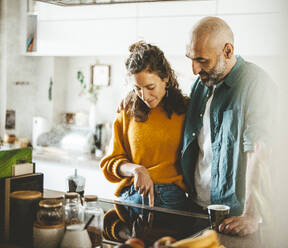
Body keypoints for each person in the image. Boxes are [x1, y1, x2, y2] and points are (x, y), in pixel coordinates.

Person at [181, 16, 277, 236]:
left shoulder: (257, 84)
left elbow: (259, 152)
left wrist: (251, 215)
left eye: (202, 60)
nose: (195, 69)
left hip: (234, 217)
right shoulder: (201, 83)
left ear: (227, 51)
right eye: (191, 59)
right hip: (196, 208)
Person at [100, 41, 189, 211]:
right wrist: (137, 170)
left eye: (150, 87)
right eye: (137, 88)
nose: (144, 96)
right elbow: (110, 163)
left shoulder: (186, 110)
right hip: (133, 195)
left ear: (166, 78)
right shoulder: (127, 112)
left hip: (173, 198)